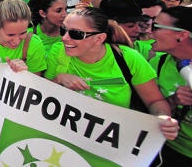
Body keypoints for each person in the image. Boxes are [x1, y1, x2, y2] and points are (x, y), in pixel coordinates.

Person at [44, 8, 178, 139]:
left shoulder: (129, 58)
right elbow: (42, 97)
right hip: (65, 136)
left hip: (112, 140)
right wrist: (58, 79)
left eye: (76, 34)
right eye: (63, 30)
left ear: (99, 38)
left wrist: (162, 118)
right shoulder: (58, 52)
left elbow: (155, 101)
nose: (64, 38)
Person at [148, 6, 192, 164]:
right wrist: (174, 101)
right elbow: (149, 109)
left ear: (182, 35)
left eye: (156, 27)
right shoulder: (157, 63)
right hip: (168, 151)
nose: (148, 30)